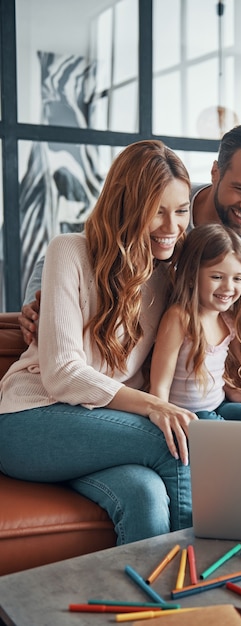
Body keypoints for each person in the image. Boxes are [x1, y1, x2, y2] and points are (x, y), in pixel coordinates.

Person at [0, 140, 198, 545]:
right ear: (127, 206)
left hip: (95, 435)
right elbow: (63, 375)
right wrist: (154, 406)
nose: (171, 227)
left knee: (144, 495)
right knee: (174, 444)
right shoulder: (68, 251)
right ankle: (194, 590)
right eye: (157, 211)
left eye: (180, 211)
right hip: (30, 419)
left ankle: (145, 606)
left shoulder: (168, 275)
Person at [19, 124, 241, 396]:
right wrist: (39, 304)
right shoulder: (169, 193)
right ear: (216, 173)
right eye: (239, 189)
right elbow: (85, 246)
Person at [150, 223, 241, 423]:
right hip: (189, 416)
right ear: (192, 276)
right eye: (217, 277)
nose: (228, 287)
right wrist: (164, 424)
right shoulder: (179, 318)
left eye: (237, 278)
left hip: (219, 405)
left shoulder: (229, 319)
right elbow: (160, 386)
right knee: (222, 431)